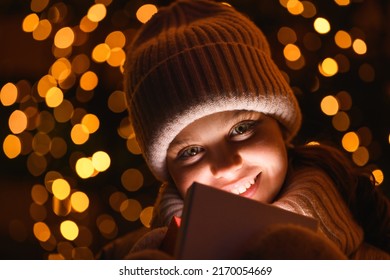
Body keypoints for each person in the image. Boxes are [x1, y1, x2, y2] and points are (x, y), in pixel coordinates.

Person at [98, 0, 390, 259]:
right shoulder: (124, 258)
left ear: (279, 123)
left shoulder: (372, 229)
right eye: (191, 151)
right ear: (168, 170)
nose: (226, 165)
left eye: (242, 128)